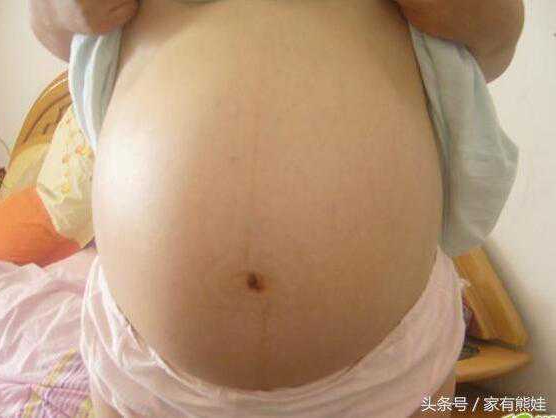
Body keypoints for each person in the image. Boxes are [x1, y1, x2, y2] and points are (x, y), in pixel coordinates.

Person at [30, 1, 524, 417]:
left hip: (386, 371)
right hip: (145, 372)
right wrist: (61, 8)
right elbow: (49, 26)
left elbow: (497, 43)